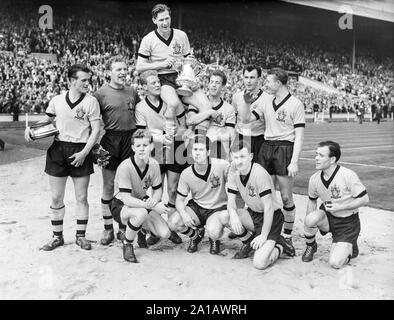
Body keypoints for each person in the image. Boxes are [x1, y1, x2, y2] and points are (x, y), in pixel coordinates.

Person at [25, 64, 101, 251]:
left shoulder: (91, 102)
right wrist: (31, 129)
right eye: (83, 80)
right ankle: (57, 237)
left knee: (81, 196)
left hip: (80, 150)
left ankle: (80, 236)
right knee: (56, 197)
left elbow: (96, 130)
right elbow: (47, 120)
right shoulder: (57, 100)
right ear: (71, 81)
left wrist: (85, 153)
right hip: (58, 150)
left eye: (88, 80)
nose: (87, 84)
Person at [242, 67, 305, 256]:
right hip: (266, 146)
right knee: (264, 194)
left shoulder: (296, 104)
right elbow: (246, 119)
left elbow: (300, 136)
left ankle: (286, 235)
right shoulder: (265, 100)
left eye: (268, 81)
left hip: (285, 148)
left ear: (278, 83)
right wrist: (246, 103)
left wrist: (294, 161)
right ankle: (264, 231)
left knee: (286, 197)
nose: (265, 84)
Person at [135, 3, 212, 134]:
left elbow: (190, 60)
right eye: (161, 20)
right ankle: (181, 128)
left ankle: (195, 131)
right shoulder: (148, 39)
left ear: (170, 17)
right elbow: (140, 66)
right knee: (173, 102)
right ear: (154, 20)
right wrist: (162, 64)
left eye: (167, 18)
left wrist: (194, 69)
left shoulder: (181, 35)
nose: (165, 23)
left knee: (207, 106)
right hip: (163, 78)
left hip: (183, 77)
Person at [135, 70, 186, 246]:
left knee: (172, 189)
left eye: (158, 81)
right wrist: (158, 137)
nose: (157, 85)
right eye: (153, 82)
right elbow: (141, 132)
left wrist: (174, 133)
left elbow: (183, 125)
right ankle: (156, 228)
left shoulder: (170, 101)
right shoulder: (141, 107)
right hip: (155, 149)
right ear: (144, 87)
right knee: (154, 190)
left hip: (175, 146)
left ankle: (171, 228)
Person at [93, 56, 140, 245]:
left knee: (126, 187)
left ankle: (122, 227)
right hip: (110, 140)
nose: (122, 72)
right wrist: (95, 148)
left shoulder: (133, 92)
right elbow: (92, 122)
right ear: (109, 72)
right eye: (118, 69)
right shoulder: (100, 94)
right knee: (108, 186)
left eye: (124, 69)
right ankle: (107, 229)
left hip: (130, 139)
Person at [109, 129, 174, 263]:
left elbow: (157, 190)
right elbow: (126, 198)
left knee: (165, 233)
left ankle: (141, 230)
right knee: (141, 214)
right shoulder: (125, 167)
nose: (142, 149)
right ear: (133, 147)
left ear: (151, 146)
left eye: (145, 145)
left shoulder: (154, 164)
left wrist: (154, 201)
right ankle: (127, 243)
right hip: (121, 205)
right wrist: (153, 206)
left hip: (140, 202)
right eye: (138, 146)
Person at [226, 140, 294, 268]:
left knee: (259, 263)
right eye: (235, 157)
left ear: (250, 157)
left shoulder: (259, 173)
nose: (239, 161)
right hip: (254, 214)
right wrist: (233, 213)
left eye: (242, 156)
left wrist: (263, 236)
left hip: (272, 217)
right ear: (231, 157)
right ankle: (249, 242)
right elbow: (231, 201)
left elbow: (268, 208)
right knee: (226, 216)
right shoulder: (233, 170)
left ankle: (280, 246)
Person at [302, 141, 369, 268]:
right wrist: (308, 223)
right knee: (310, 218)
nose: (316, 158)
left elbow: (365, 199)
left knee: (335, 263)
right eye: (316, 154)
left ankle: (351, 247)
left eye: (321, 155)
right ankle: (311, 246)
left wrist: (341, 207)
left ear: (332, 159)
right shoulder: (314, 179)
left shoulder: (347, 175)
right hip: (328, 217)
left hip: (347, 223)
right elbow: (312, 200)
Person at [169, 135, 230, 254]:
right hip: (197, 208)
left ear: (208, 152)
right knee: (173, 223)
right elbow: (179, 200)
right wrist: (184, 214)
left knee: (214, 231)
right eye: (195, 150)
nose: (197, 153)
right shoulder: (186, 173)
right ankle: (195, 236)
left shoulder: (221, 165)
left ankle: (214, 239)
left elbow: (236, 184)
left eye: (201, 150)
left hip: (217, 208)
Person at [186, 70, 235, 159]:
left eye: (217, 83)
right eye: (211, 82)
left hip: (216, 149)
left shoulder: (229, 108)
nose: (213, 85)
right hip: (196, 147)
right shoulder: (197, 101)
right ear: (208, 84)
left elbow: (230, 134)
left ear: (223, 86)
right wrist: (209, 112)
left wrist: (213, 137)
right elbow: (190, 120)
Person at [232, 65, 265, 163]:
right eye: (246, 77)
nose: (248, 81)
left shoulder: (267, 98)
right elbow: (234, 120)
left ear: (259, 79)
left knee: (257, 171)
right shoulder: (236, 97)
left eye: (252, 77)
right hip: (240, 138)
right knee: (238, 171)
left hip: (258, 140)